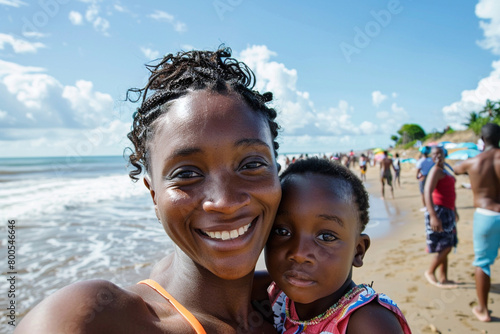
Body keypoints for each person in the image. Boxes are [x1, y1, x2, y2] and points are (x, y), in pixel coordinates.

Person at [15, 47, 282, 333]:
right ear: (154, 195)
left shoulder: (300, 303)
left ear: (278, 173)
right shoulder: (97, 318)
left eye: (252, 164)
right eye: (187, 173)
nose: (224, 201)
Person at [254, 158, 411, 333]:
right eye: (283, 232)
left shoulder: (369, 323)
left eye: (326, 236)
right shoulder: (273, 293)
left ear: (358, 251)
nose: (299, 253)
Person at [454, 123, 500, 322]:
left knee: (482, 264)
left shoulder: (474, 162)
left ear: (482, 139)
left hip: (486, 215)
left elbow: (456, 168)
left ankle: (483, 310)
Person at [423, 146, 459, 290]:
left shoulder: (446, 169)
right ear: (431, 157)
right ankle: (430, 271)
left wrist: (455, 211)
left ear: (444, 154)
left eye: (439, 153)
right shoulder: (435, 170)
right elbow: (427, 192)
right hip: (439, 212)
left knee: (446, 244)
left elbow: (449, 192)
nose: (437, 156)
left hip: (448, 211)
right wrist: (433, 216)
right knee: (447, 246)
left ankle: (443, 278)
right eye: (434, 154)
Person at [416, 147, 434, 211]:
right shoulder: (431, 160)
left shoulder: (421, 161)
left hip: (423, 177)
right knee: (431, 191)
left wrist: (417, 176)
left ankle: (425, 207)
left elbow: (418, 169)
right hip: (431, 177)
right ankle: (432, 205)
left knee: (423, 193)